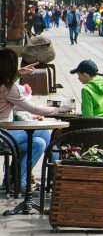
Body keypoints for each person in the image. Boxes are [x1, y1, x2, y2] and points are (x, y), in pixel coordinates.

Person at [0, 50, 71, 189]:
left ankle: (20, 181)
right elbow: (33, 108)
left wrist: (18, 73)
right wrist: (58, 110)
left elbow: (17, 106)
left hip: (5, 135)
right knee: (44, 133)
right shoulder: (8, 89)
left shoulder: (4, 86)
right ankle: (58, 177)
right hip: (3, 137)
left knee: (38, 143)